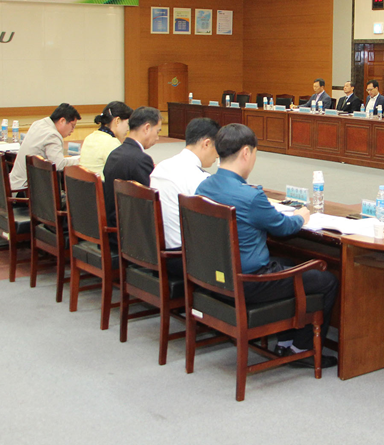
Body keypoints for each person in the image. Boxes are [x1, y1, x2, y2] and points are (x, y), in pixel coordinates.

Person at [195, 123, 338, 368]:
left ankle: (285, 341)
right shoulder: (251, 196)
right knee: (326, 280)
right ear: (246, 153)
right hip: (249, 283)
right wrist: (301, 216)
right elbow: (284, 228)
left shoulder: (203, 186)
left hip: (215, 278)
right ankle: (303, 349)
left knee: (289, 263)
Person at [150, 117, 219, 250]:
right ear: (206, 144)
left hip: (155, 248)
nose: (217, 155)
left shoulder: (162, 166)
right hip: (182, 253)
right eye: (217, 148)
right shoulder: (200, 179)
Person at [102, 106, 162, 232]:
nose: (157, 138)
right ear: (147, 128)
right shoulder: (141, 159)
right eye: (157, 132)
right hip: (131, 233)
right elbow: (149, 203)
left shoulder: (114, 153)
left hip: (113, 225)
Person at [9, 103, 81, 191]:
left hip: (14, 182)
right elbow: (59, 165)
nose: (72, 130)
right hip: (26, 189)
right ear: (62, 120)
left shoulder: (38, 124)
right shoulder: (52, 134)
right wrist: (79, 161)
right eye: (72, 126)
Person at [79, 101, 132, 179]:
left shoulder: (89, 137)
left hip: (86, 185)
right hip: (102, 186)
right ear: (117, 121)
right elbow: (123, 173)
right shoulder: (111, 142)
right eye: (127, 124)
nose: (128, 129)